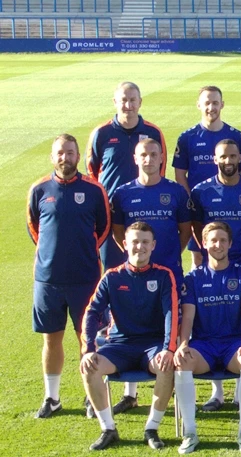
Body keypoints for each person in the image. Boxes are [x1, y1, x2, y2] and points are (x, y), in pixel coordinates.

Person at [28, 133, 109, 419]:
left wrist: (81, 252)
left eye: (70, 152)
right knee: (51, 339)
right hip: (48, 280)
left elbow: (104, 228)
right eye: (60, 153)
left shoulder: (94, 189)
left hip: (85, 278)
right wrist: (53, 256)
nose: (66, 158)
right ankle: (52, 398)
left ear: (78, 156)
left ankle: (92, 396)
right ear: (53, 157)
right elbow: (35, 229)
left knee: (88, 339)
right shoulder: (39, 189)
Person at [79, 222, 178, 451]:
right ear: (125, 244)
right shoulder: (112, 277)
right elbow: (91, 312)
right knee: (89, 367)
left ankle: (151, 428)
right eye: (135, 241)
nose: (139, 247)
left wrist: (167, 349)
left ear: (153, 246)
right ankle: (108, 429)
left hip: (152, 346)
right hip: (119, 346)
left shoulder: (164, 276)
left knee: (166, 366)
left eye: (145, 242)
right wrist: (89, 350)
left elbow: (171, 314)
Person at [109, 138, 191, 414]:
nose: (148, 159)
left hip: (168, 273)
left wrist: (166, 257)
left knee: (172, 326)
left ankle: (176, 387)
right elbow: (118, 232)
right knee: (130, 324)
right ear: (136, 158)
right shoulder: (122, 194)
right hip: (135, 276)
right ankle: (129, 393)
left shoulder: (176, 192)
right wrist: (137, 256)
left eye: (153, 154)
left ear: (161, 158)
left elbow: (185, 231)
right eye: (143, 154)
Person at [173, 222, 241, 454]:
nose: (218, 245)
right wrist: (182, 345)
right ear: (204, 244)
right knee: (182, 361)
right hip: (204, 346)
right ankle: (190, 432)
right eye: (213, 240)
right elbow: (188, 317)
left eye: (222, 240)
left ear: (230, 244)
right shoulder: (193, 279)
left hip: (233, 345)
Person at [86, 81, 167, 271]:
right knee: (113, 268)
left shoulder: (153, 132)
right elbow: (92, 172)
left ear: (140, 102)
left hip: (145, 210)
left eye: (133, 100)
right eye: (124, 100)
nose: (128, 106)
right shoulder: (101, 133)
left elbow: (159, 170)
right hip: (112, 213)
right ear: (115, 101)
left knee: (147, 266)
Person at [173, 85, 241, 268]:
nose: (211, 107)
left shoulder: (236, 136)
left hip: (228, 208)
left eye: (215, 103)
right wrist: (192, 203)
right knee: (200, 257)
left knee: (230, 255)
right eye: (207, 103)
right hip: (200, 210)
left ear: (222, 104)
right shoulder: (187, 137)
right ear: (198, 105)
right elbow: (180, 174)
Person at [190, 139, 241, 286]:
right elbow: (196, 227)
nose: (228, 161)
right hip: (214, 264)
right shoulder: (201, 191)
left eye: (233, 156)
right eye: (223, 157)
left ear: (240, 158)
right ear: (215, 159)